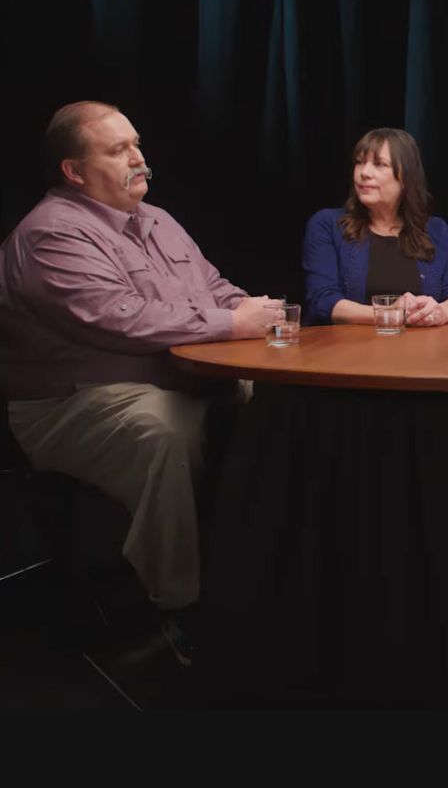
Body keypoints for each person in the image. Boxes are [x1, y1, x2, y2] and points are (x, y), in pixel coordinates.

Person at [0, 101, 284, 665]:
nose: (139, 159)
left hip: (177, 374)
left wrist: (252, 310)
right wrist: (232, 323)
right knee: (165, 430)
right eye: (117, 150)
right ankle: (180, 605)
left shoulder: (158, 220)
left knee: (280, 399)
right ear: (74, 172)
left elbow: (214, 287)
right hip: (70, 399)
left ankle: (259, 567)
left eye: (136, 144)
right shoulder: (50, 235)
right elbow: (120, 317)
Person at [303, 128, 448, 327]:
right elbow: (323, 301)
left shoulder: (437, 230)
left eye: (379, 164)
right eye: (359, 162)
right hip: (348, 350)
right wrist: (391, 313)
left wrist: (442, 311)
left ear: (406, 178)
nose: (364, 173)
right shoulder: (327, 224)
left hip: (421, 351)